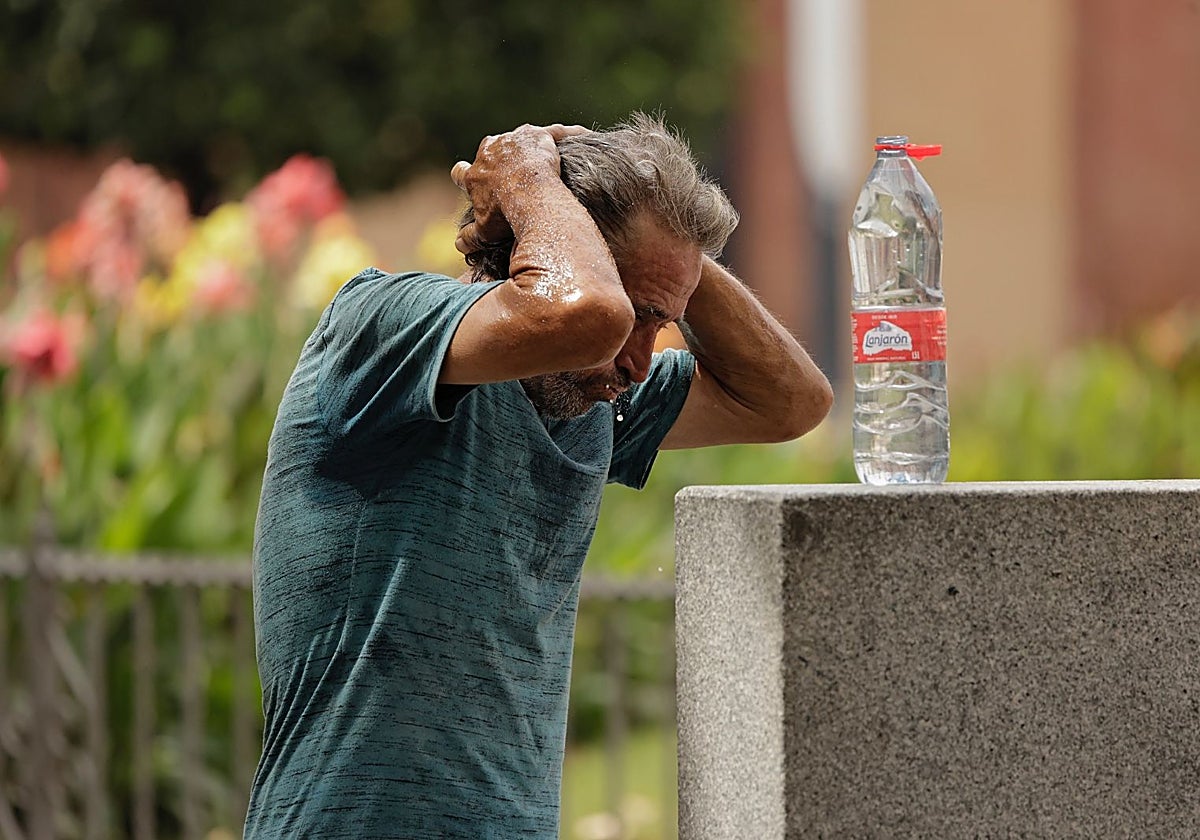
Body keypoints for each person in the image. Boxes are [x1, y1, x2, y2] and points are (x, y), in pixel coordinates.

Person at [244, 114, 833, 838]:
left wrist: (668, 253)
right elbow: (584, 313)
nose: (640, 359)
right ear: (542, 242)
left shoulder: (590, 399)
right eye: (637, 317)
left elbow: (790, 401)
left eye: (661, 325)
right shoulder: (379, 328)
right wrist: (529, 178)